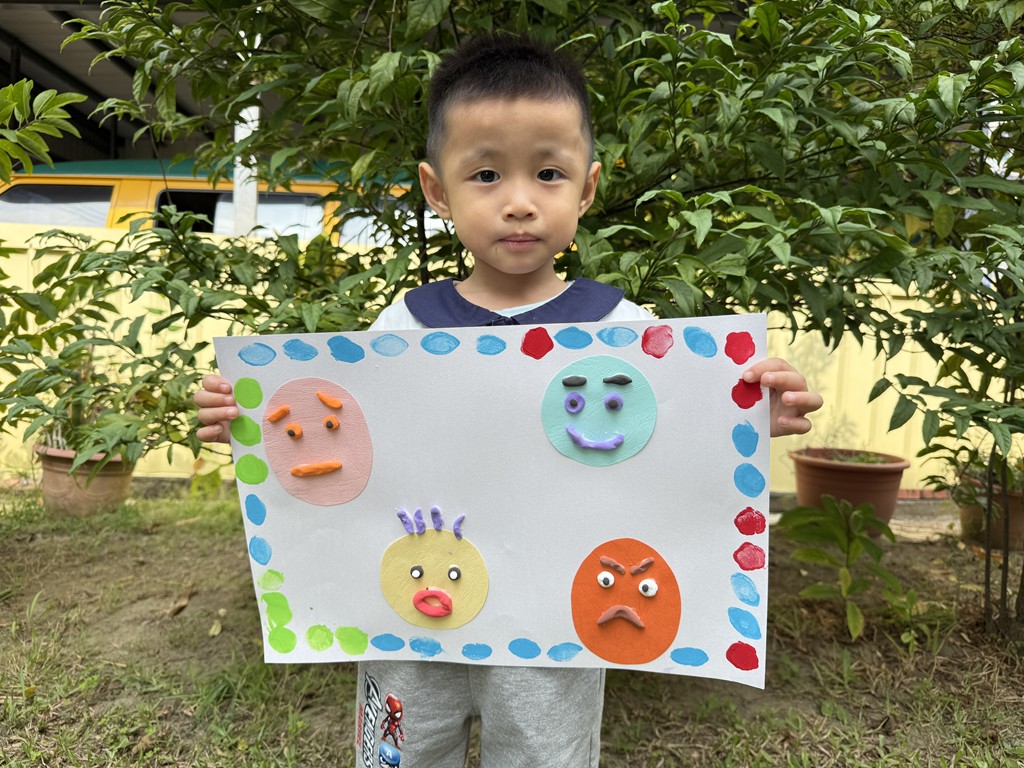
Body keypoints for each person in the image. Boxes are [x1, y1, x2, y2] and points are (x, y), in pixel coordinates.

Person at [195, 32, 823, 768]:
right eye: (487, 173)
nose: (520, 202)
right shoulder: (399, 330)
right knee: (397, 757)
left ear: (587, 188)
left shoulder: (630, 337)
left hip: (552, 632)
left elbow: (670, 449)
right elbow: (342, 446)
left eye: (549, 174)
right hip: (409, 626)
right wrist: (248, 422)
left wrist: (743, 420)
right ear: (438, 190)